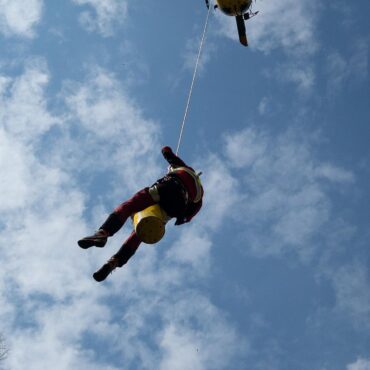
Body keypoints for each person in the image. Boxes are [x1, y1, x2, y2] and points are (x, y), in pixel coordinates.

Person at [78, 146, 204, 282]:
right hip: (178, 206)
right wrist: (179, 218)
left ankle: (103, 233)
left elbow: (166, 151)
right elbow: (189, 216)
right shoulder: (200, 195)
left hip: (168, 187)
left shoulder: (184, 168)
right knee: (142, 230)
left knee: (129, 206)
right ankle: (115, 261)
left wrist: (170, 162)